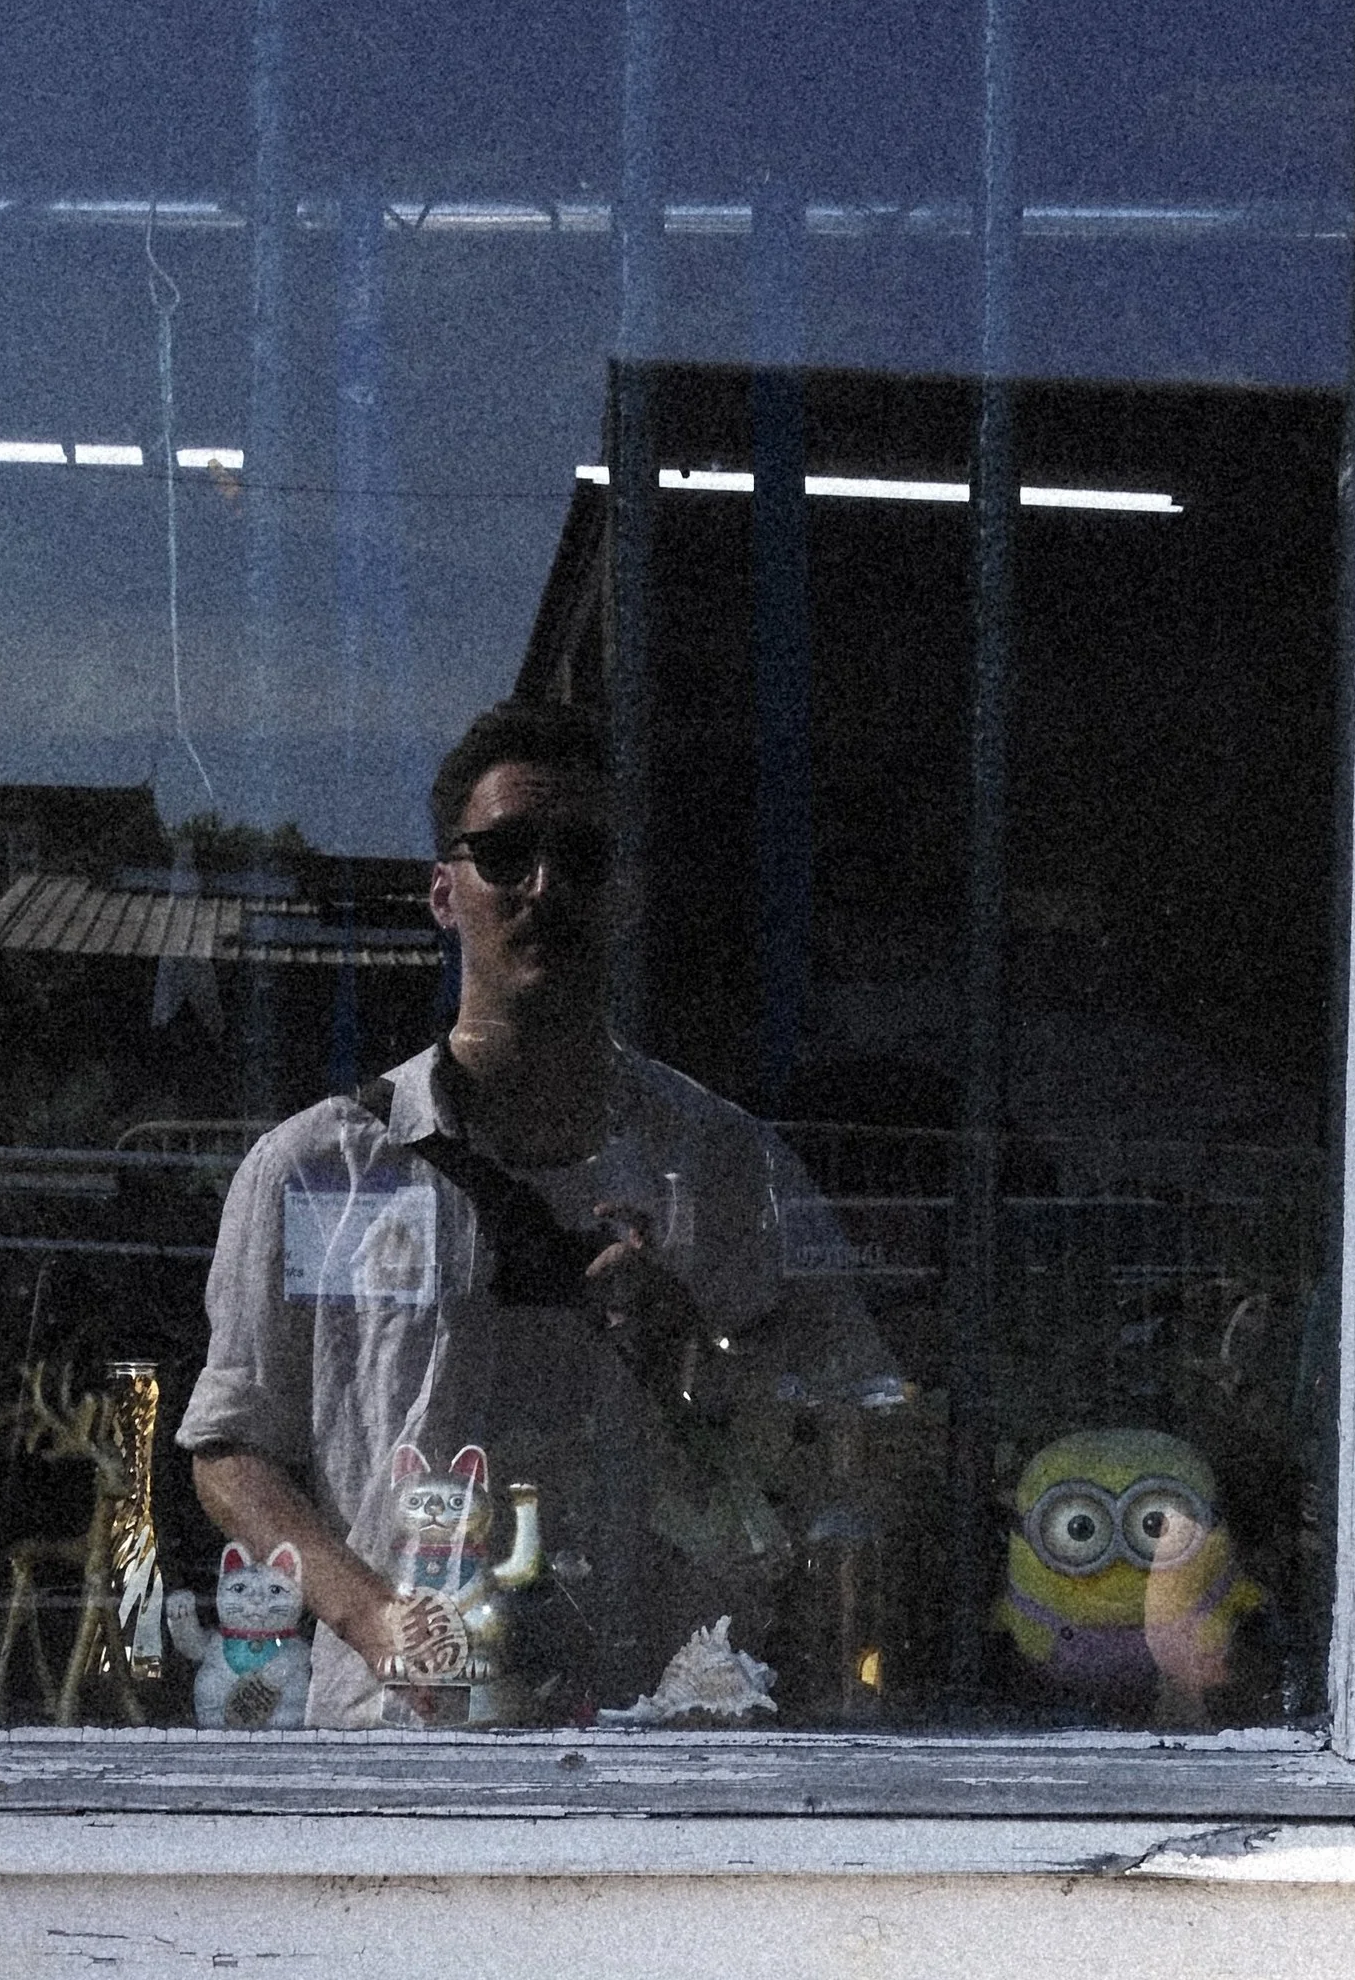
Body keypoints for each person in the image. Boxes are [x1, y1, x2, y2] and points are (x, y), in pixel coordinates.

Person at [176, 698, 884, 1723]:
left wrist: (698, 1352)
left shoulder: (729, 1170)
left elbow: (848, 1435)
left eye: (585, 858)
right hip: (397, 1749)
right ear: (442, 890)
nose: (544, 887)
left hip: (671, 1743)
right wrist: (377, 1621)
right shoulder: (318, 1168)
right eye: (506, 852)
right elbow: (231, 1454)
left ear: (628, 896)